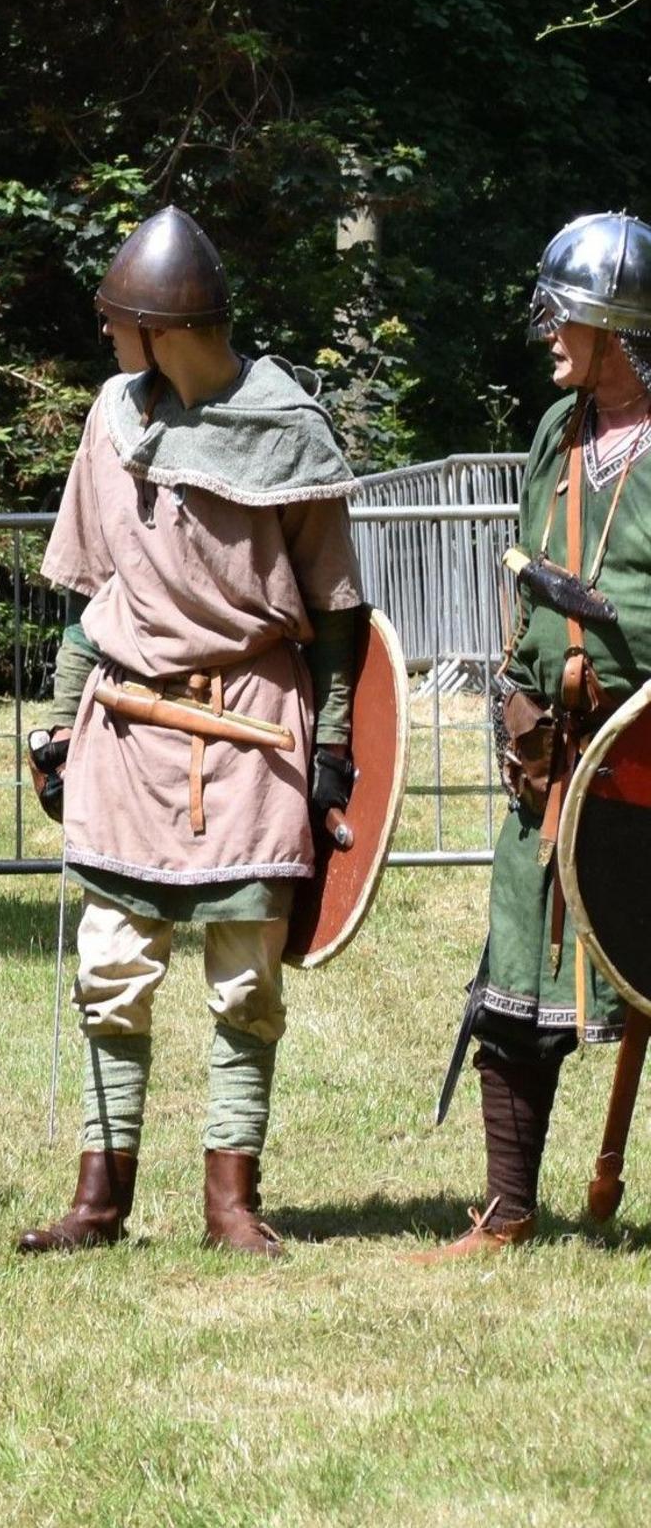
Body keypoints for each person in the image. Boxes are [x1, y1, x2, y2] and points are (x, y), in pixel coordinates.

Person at [13, 207, 364, 1259]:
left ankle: (229, 1203)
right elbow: (94, 590)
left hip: (254, 723)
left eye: (119, 320)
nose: (109, 338)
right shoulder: (113, 418)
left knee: (246, 973)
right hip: (125, 721)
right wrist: (56, 717)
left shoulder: (289, 427)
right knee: (112, 963)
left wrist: (336, 748)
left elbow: (338, 614)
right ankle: (98, 1200)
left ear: (162, 328)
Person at [416, 210, 651, 1259]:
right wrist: (514, 696)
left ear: (617, 324)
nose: (548, 331)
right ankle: (509, 1207)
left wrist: (610, 622)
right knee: (516, 974)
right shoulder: (558, 433)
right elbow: (525, 576)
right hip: (553, 756)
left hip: (643, 758)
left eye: (566, 314)